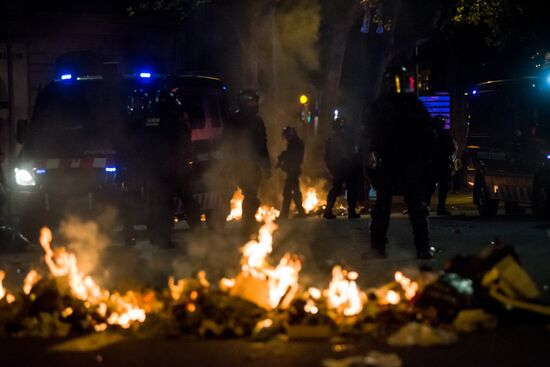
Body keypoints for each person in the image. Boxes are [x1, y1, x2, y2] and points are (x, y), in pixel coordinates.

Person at [365, 66, 436, 259]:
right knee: (389, 206)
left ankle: (415, 247)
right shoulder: (399, 106)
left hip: (404, 161)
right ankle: (382, 247)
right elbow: (371, 133)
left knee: (410, 206)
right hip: (394, 161)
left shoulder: (411, 106)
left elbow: (427, 135)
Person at [223, 89, 271, 235]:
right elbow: (227, 143)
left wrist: (266, 165)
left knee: (251, 196)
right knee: (227, 195)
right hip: (238, 164)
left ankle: (248, 226)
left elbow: (262, 145)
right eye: (252, 101)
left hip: (252, 165)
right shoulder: (233, 120)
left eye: (255, 101)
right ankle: (219, 226)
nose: (255, 104)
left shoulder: (258, 121)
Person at [323, 117, 361, 219]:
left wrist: (331, 168)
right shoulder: (347, 137)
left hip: (339, 167)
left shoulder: (331, 139)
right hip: (346, 167)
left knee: (336, 189)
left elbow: (327, 156)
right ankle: (351, 212)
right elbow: (354, 152)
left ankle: (328, 211)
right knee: (350, 189)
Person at [425, 115, 457, 215]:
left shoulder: (430, 135)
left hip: (433, 164)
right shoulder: (443, 135)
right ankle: (440, 208)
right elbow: (452, 149)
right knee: (441, 187)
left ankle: (427, 207)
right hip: (440, 164)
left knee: (431, 187)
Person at [276, 126, 306, 219]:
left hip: (293, 171)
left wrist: (284, 164)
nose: (286, 138)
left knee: (287, 193)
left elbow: (294, 158)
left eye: (287, 136)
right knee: (294, 192)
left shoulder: (295, 144)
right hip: (293, 171)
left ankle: (285, 214)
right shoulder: (294, 143)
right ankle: (300, 212)